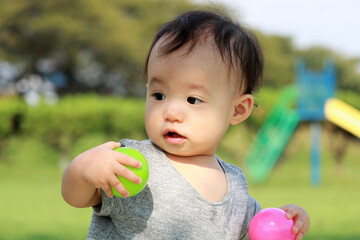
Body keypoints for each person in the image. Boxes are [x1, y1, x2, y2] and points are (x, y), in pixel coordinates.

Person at [62, 10, 310, 240]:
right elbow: (77, 197)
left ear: (238, 109)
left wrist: (288, 220)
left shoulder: (235, 186)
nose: (171, 112)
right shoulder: (134, 162)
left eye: (193, 99)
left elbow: (258, 229)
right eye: (159, 95)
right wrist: (82, 169)